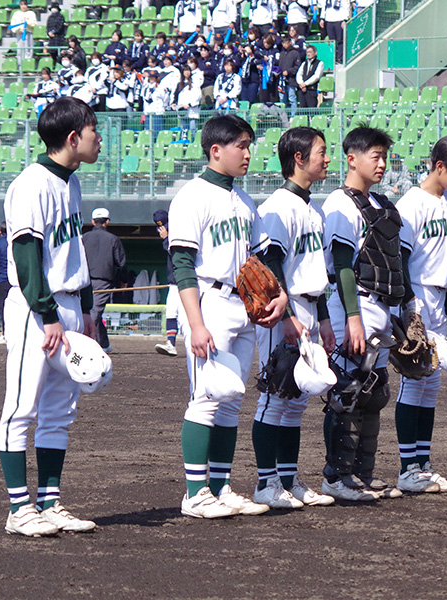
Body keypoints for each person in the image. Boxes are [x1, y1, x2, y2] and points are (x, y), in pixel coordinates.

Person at [168, 114, 288, 519]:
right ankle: (195, 493)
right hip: (210, 301)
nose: (248, 153)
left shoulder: (244, 200)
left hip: (243, 304)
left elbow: (262, 257)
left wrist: (279, 293)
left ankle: (220, 486)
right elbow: (181, 262)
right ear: (215, 150)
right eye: (241, 145)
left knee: (231, 400)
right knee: (205, 398)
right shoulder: (191, 196)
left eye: (249, 145)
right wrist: (195, 322)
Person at [0, 97, 101, 537]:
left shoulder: (70, 182)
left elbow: (71, 249)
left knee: (59, 411)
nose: (99, 141)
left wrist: (88, 308)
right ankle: (19, 510)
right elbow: (26, 254)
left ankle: (49, 502)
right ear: (73, 138)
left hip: (70, 305)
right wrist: (48, 313)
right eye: (94, 132)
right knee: (21, 408)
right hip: (38, 310)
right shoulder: (31, 184)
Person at [321, 127, 411, 501]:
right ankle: (335, 477)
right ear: (352, 158)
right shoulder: (340, 204)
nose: (382, 163)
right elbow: (342, 264)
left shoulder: (384, 205)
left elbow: (396, 264)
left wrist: (408, 311)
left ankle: (362, 473)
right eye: (374, 155)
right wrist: (352, 316)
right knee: (347, 392)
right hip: (352, 304)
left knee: (374, 393)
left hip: (382, 307)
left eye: (384, 156)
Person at [251, 127, 337, 509]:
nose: (327, 158)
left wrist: (322, 319)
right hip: (281, 311)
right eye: (321, 151)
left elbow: (313, 270)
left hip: (307, 305)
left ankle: (288, 479)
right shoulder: (277, 207)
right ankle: (265, 483)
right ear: (299, 158)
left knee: (296, 400)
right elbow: (270, 264)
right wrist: (284, 315)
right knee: (273, 397)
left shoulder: (311, 209)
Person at [392, 134, 447, 494]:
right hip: (418, 296)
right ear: (439, 166)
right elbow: (399, 259)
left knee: (431, 384)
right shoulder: (411, 204)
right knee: (413, 381)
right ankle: (407, 467)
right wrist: (409, 305)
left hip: (444, 299)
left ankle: (423, 464)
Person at [82, 208, 126, 354]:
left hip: (84, 280)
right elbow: (121, 263)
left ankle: (104, 344)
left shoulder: (84, 237)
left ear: (93, 221)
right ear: (107, 221)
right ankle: (89, 345)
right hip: (104, 280)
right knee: (94, 312)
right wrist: (123, 281)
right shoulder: (113, 239)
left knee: (92, 312)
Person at [152, 210, 179, 357]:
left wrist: (166, 239)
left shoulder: (179, 230)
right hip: (174, 282)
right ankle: (171, 343)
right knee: (171, 312)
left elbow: (177, 254)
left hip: (187, 281)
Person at [174, 66, 202, 140]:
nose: (186, 72)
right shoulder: (179, 84)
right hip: (182, 110)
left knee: (193, 129)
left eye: (188, 70)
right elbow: (175, 95)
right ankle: (184, 144)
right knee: (183, 129)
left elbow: (198, 96)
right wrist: (174, 104)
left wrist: (190, 104)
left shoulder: (195, 83)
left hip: (192, 110)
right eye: (185, 70)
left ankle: (193, 144)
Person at [277, 36, 302, 119]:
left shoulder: (295, 53)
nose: (285, 45)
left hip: (291, 79)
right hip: (281, 80)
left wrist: (289, 71)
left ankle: (293, 116)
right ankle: (284, 117)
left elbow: (297, 66)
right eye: (283, 43)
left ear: (290, 43)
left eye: (286, 43)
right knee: (282, 99)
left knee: (292, 98)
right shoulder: (282, 53)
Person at [296, 45, 323, 109]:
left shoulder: (320, 63)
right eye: (307, 52)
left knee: (312, 110)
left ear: (315, 52)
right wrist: (301, 84)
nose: (308, 54)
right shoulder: (304, 63)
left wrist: (305, 84)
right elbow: (299, 74)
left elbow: (316, 76)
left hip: (311, 90)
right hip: (302, 90)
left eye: (310, 52)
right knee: (303, 110)